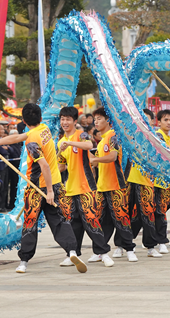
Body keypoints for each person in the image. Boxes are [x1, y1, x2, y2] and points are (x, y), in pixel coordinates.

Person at [0, 104, 85, 274]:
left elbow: (44, 165)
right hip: (55, 183)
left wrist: (49, 192)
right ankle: (72, 251)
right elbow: (17, 138)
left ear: (23, 120)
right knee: (59, 220)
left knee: (30, 223)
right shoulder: (44, 129)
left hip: (39, 188)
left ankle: (24, 261)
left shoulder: (32, 141)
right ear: (39, 118)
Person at [57, 106, 113, 267]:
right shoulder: (61, 142)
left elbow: (89, 145)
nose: (65, 122)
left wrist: (69, 143)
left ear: (75, 121)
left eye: (68, 119)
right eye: (62, 119)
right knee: (72, 223)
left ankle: (103, 253)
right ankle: (72, 253)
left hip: (86, 187)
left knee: (91, 221)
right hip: (70, 189)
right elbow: (61, 167)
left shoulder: (80, 135)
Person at [89, 107, 137, 262]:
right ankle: (100, 251)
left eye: (99, 119)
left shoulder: (113, 136)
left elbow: (112, 156)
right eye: (94, 119)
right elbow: (94, 161)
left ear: (108, 120)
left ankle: (129, 249)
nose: (96, 122)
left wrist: (95, 160)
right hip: (102, 186)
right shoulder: (102, 139)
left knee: (122, 218)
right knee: (102, 221)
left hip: (116, 185)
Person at [126, 108, 165, 258]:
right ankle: (123, 245)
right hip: (130, 179)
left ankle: (150, 246)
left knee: (148, 214)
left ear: (152, 121)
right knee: (126, 214)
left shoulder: (156, 137)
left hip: (147, 182)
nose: (143, 120)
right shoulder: (131, 135)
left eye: (146, 118)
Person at [152, 109, 170, 254]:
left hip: (163, 181)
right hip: (154, 181)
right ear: (159, 122)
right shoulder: (159, 136)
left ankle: (160, 241)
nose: (169, 122)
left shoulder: (168, 138)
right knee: (154, 212)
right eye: (165, 120)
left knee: (160, 212)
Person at [6, 129, 22, 210]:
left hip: (19, 169)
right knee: (12, 187)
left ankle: (15, 203)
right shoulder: (10, 145)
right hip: (12, 169)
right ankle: (11, 204)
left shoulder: (18, 145)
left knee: (16, 187)